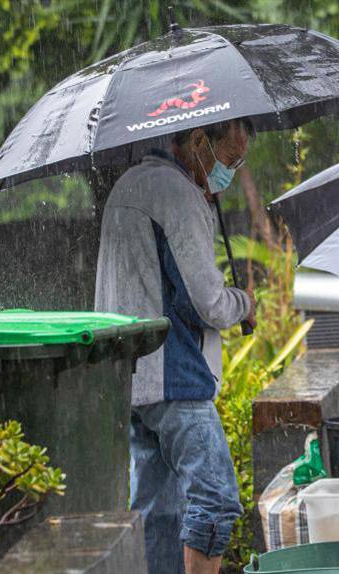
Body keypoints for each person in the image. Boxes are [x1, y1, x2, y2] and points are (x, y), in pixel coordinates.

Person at [95, 119, 256, 574]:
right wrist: (245, 303)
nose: (231, 168)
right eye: (230, 157)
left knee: (159, 512)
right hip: (173, 380)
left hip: (130, 378)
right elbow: (206, 302)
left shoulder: (129, 184)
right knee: (217, 499)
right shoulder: (177, 193)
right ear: (200, 141)